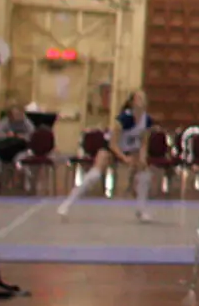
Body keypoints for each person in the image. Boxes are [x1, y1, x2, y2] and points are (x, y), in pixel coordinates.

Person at [59, 90, 155, 222]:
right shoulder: (124, 118)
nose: (142, 101)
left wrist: (142, 158)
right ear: (132, 102)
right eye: (139, 98)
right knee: (95, 174)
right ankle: (67, 204)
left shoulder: (147, 120)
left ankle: (141, 210)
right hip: (112, 148)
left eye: (144, 98)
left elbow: (144, 142)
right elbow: (112, 143)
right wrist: (123, 158)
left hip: (130, 149)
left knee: (145, 173)